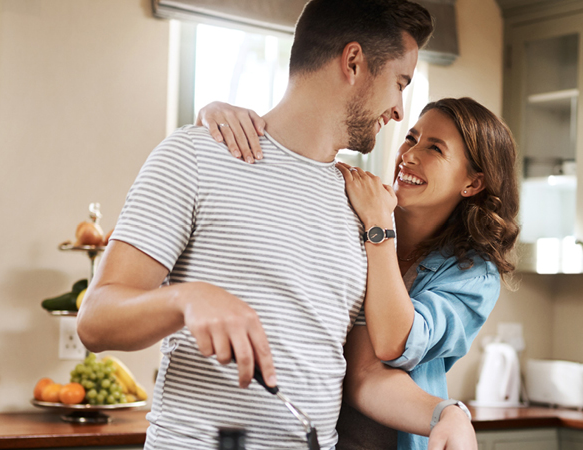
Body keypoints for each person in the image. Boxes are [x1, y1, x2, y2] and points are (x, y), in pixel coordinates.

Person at [76, 1, 477, 448]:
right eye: (400, 83)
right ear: (353, 62)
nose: (400, 110)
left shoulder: (365, 207)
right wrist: (186, 300)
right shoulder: (195, 156)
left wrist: (445, 414)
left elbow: (364, 376)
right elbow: (95, 321)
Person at [200, 97, 520, 449]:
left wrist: (380, 229)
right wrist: (216, 116)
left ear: (473, 184)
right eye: (411, 138)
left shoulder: (472, 273)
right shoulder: (356, 204)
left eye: (435, 149)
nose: (409, 155)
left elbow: (394, 343)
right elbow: (283, 166)